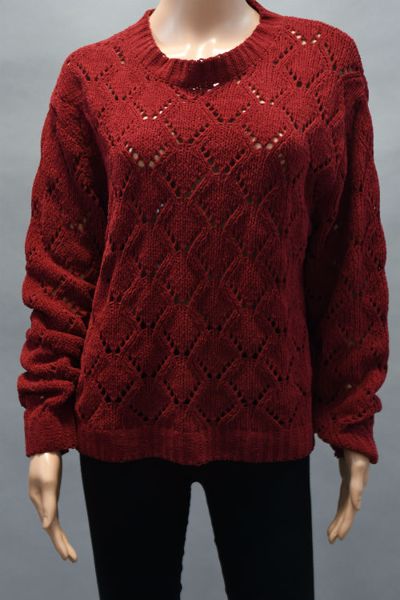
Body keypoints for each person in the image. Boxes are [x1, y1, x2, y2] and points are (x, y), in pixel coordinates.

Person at [17, 1, 389, 598]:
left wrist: (350, 414)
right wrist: (48, 420)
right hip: (123, 411)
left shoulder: (323, 62)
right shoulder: (91, 75)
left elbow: (349, 251)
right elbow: (63, 264)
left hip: (267, 406)